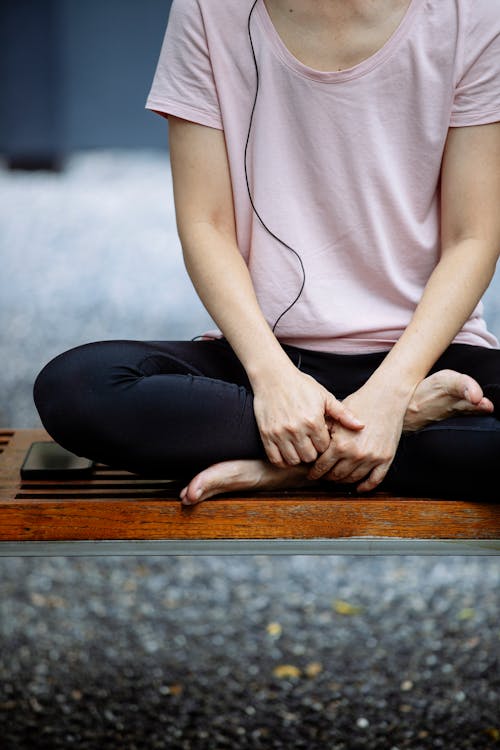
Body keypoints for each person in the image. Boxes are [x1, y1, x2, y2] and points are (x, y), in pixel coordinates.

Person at [34, 0, 500, 504]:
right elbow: (206, 225)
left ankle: (285, 466)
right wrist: (273, 378)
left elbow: (471, 238)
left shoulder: (472, 14)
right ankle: (387, 440)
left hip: (426, 360)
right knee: (76, 388)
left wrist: (393, 395)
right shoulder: (207, 12)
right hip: (267, 365)